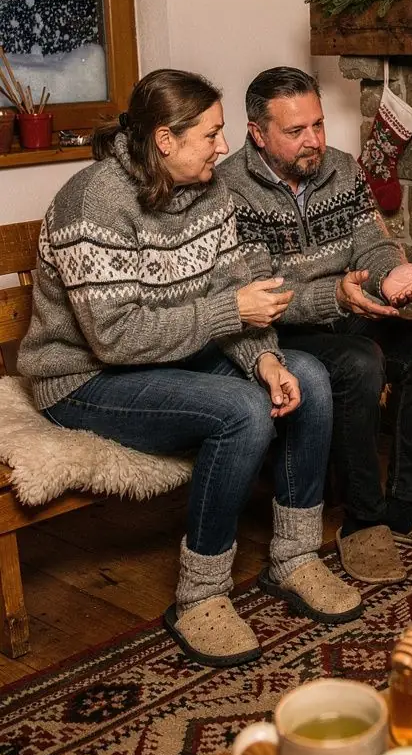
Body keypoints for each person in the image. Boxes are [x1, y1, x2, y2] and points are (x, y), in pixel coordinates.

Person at [17, 69, 362, 670]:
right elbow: (117, 340)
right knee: (242, 410)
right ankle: (199, 595)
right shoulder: (93, 201)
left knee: (308, 377)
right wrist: (232, 313)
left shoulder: (209, 192)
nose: (223, 148)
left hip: (176, 356)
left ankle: (296, 558)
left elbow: (234, 287)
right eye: (211, 135)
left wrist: (267, 358)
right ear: (165, 140)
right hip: (83, 380)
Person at [220, 66, 412, 585]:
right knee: (359, 363)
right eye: (296, 131)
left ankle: (407, 506)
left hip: (349, 307)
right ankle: (362, 520)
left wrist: (388, 276)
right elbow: (257, 298)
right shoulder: (229, 191)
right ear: (257, 132)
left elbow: (373, 243)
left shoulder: (342, 169)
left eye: (318, 124)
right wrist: (334, 296)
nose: (313, 140)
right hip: (280, 333)